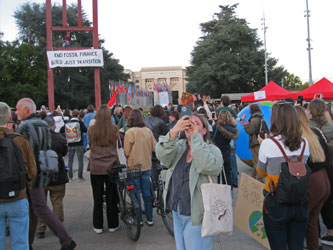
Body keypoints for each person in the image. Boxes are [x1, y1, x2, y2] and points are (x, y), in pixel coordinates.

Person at [15, 98, 78, 250]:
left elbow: (21, 152)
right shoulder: (43, 125)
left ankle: (67, 241)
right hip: (43, 171)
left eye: (18, 109)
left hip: (31, 174)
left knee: (40, 209)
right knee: (34, 210)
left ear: (26, 110)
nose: (16, 113)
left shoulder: (24, 128)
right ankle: (28, 243)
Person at [156, 114, 223, 250]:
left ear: (204, 130)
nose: (190, 126)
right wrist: (173, 131)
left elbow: (205, 165)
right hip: (177, 211)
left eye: (196, 124)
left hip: (197, 216)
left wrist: (195, 138)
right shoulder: (180, 147)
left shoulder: (213, 151)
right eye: (188, 123)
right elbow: (161, 155)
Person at [256, 103, 310, 250]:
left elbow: (260, 173)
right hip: (300, 201)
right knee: (297, 245)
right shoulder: (305, 143)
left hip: (276, 202)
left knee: (278, 246)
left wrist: (263, 145)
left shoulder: (268, 144)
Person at [0, 102, 37, 250]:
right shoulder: (20, 140)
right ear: (9, 117)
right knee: (20, 243)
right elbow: (32, 172)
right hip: (17, 195)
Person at [295, 106, 330, 250]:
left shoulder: (299, 136)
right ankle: (316, 244)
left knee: (304, 218)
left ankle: (313, 245)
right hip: (324, 179)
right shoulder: (315, 132)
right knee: (312, 218)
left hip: (312, 182)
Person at [87, 105, 120, 234]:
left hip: (96, 166)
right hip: (111, 166)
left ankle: (98, 225)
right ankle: (113, 224)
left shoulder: (91, 130)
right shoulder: (114, 129)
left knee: (97, 197)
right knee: (112, 197)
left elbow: (90, 145)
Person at [36, 117, 69, 239]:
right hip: (58, 174)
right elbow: (65, 152)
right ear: (54, 126)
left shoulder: (37, 140)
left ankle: (40, 228)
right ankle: (58, 227)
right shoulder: (60, 138)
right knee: (57, 202)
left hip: (41, 176)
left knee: (41, 204)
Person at [124, 109, 157, 226]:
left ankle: (139, 219)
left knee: (135, 193)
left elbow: (127, 152)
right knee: (147, 192)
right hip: (147, 165)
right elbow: (155, 147)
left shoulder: (130, 133)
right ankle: (149, 218)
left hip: (133, 166)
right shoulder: (148, 131)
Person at [308, 98, 333, 246]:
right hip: (329, 166)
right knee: (328, 200)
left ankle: (314, 239)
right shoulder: (329, 126)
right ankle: (330, 231)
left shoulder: (308, 127)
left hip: (316, 167)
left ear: (310, 110)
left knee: (312, 209)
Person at [212, 110, 238, 185]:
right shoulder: (231, 128)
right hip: (226, 151)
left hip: (217, 152)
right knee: (227, 174)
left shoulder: (216, 127)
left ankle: (218, 191)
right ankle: (228, 191)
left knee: (217, 174)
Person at [60, 109, 87, 182]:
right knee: (80, 160)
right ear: (78, 115)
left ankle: (70, 177)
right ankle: (80, 177)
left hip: (70, 143)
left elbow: (61, 130)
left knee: (70, 161)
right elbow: (85, 130)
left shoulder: (67, 122)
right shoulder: (80, 122)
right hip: (79, 143)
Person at [241, 103, 265, 180]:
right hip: (260, 141)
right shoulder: (260, 117)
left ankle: (258, 179)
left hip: (255, 142)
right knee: (258, 160)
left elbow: (251, 131)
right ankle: (253, 178)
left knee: (256, 161)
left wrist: (245, 125)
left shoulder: (254, 119)